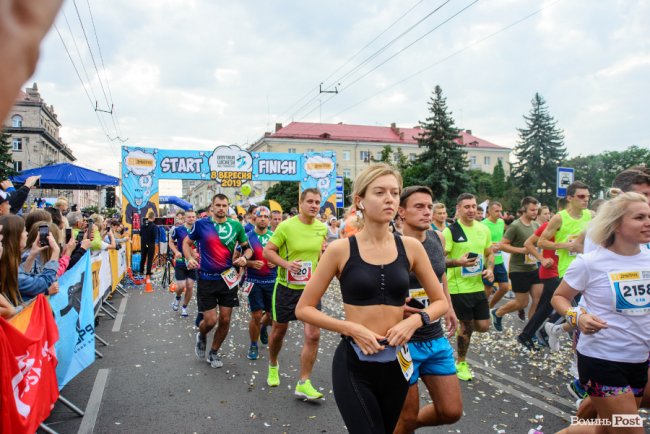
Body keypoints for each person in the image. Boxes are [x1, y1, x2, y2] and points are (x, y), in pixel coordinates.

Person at [295, 164, 448, 434]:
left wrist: (414, 322)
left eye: (394, 192)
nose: (389, 198)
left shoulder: (410, 247)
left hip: (397, 364)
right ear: (360, 201)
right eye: (379, 192)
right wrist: (350, 328)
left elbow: (440, 302)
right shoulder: (340, 249)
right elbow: (304, 308)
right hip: (354, 362)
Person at [551, 192, 650, 434]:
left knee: (604, 428)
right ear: (616, 224)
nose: (648, 222)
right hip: (601, 361)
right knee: (629, 431)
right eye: (639, 217)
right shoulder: (590, 262)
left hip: (638, 360)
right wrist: (578, 317)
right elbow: (559, 297)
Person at [394, 186, 461, 433]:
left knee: (450, 411)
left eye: (429, 206)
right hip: (403, 340)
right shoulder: (391, 243)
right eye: (419, 207)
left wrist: (449, 307)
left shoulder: (437, 238)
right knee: (407, 415)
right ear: (401, 212)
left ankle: (397, 426)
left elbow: (440, 275)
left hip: (434, 335)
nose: (427, 212)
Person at [262, 188, 328, 399]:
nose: (314, 205)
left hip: (310, 291)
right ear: (301, 203)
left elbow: (318, 255)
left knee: (313, 334)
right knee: (279, 331)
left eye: (317, 202)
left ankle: (304, 382)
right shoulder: (286, 226)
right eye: (310, 201)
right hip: (286, 288)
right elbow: (268, 251)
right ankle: (273, 364)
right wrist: (286, 264)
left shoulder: (321, 228)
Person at [184, 194, 251, 369]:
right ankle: (202, 334)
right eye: (218, 205)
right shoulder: (201, 224)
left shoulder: (236, 226)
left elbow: (247, 249)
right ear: (211, 207)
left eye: (224, 205)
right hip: (206, 279)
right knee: (211, 320)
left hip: (227, 280)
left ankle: (213, 352)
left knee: (226, 320)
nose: (221, 208)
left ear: (228, 207)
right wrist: (189, 258)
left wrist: (245, 258)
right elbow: (186, 243)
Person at [443, 193, 494, 381]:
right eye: (467, 207)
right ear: (458, 209)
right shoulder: (451, 231)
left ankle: (461, 330)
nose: (472, 210)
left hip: (477, 286)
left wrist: (489, 269)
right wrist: (457, 262)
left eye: (474, 206)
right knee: (465, 327)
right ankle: (461, 363)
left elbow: (490, 253)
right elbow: (440, 260)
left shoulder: (483, 229)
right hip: (458, 287)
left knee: (483, 326)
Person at [517, 198, 566, 350]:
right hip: (551, 272)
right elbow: (528, 243)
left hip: (565, 271)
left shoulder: (576, 227)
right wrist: (542, 259)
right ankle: (545, 331)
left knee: (546, 307)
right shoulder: (549, 225)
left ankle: (529, 335)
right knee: (568, 304)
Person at [491, 197, 542, 330]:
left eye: (536, 210)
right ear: (524, 209)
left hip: (533, 267)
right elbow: (502, 245)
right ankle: (497, 312)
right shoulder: (515, 226)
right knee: (522, 303)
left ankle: (531, 331)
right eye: (532, 209)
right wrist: (521, 250)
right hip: (518, 269)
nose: (535, 212)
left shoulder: (536, 225)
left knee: (537, 300)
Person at [0, 214, 59, 303]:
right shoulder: (7, 268)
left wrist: (32, 255)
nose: (27, 233)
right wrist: (55, 252)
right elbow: (45, 283)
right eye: (24, 231)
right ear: (15, 237)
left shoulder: (8, 264)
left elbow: (22, 274)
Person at [538, 181, 592, 278]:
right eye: (581, 196)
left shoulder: (591, 215)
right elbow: (541, 242)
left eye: (588, 196)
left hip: (588, 268)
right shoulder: (559, 218)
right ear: (569, 198)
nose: (586, 199)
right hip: (568, 270)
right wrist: (564, 245)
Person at [243, 206, 276, 360]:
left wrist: (276, 263)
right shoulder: (247, 236)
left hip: (272, 281)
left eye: (266, 216)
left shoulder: (275, 236)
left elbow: (284, 256)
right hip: (254, 281)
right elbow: (237, 258)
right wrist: (250, 264)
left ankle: (263, 328)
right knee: (256, 315)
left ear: (269, 220)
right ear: (254, 219)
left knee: (271, 316)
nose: (263, 218)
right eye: (260, 216)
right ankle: (253, 345)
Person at [169, 210, 198, 317]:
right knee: (181, 286)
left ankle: (184, 307)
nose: (191, 219)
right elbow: (171, 242)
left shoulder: (199, 230)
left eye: (193, 217)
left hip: (193, 263)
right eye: (189, 217)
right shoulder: (178, 229)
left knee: (190, 286)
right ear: (185, 218)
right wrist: (176, 252)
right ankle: (177, 298)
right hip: (181, 262)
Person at [481, 201, 510, 308]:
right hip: (487, 260)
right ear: (489, 211)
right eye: (496, 211)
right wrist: (490, 247)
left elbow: (501, 238)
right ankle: (483, 309)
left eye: (500, 211)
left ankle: (490, 307)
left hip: (499, 259)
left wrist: (500, 244)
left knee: (505, 287)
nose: (499, 213)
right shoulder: (483, 224)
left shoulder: (501, 222)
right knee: (488, 289)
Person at [140, 210, 157, 277]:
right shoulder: (153, 226)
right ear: (153, 217)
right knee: (150, 258)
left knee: (143, 257)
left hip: (143, 243)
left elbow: (140, 234)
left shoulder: (143, 225)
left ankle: (141, 271)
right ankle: (148, 272)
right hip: (150, 244)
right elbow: (154, 236)